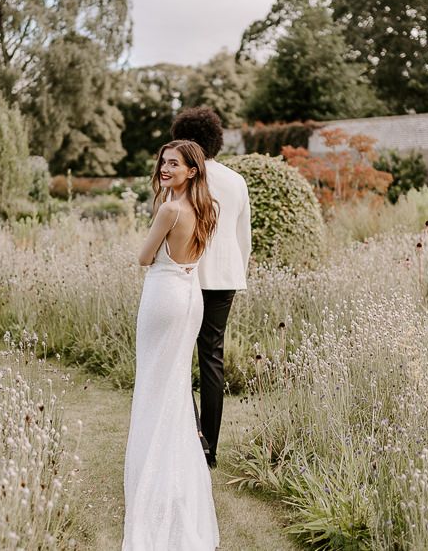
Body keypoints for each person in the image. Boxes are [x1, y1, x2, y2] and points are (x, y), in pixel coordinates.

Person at [122, 139, 220, 551]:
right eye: (163, 162)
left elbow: (144, 258)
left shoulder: (170, 209)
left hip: (163, 298)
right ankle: (176, 485)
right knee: (176, 392)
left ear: (192, 170)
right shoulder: (206, 210)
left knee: (153, 391)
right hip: (190, 297)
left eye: (174, 164)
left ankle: (153, 488)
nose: (165, 168)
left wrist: (162, 206)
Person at [170, 107, 251, 469]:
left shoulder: (185, 179)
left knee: (177, 357)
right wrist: (237, 271)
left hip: (186, 276)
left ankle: (193, 435)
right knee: (212, 359)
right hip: (225, 279)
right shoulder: (236, 181)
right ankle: (210, 448)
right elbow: (243, 239)